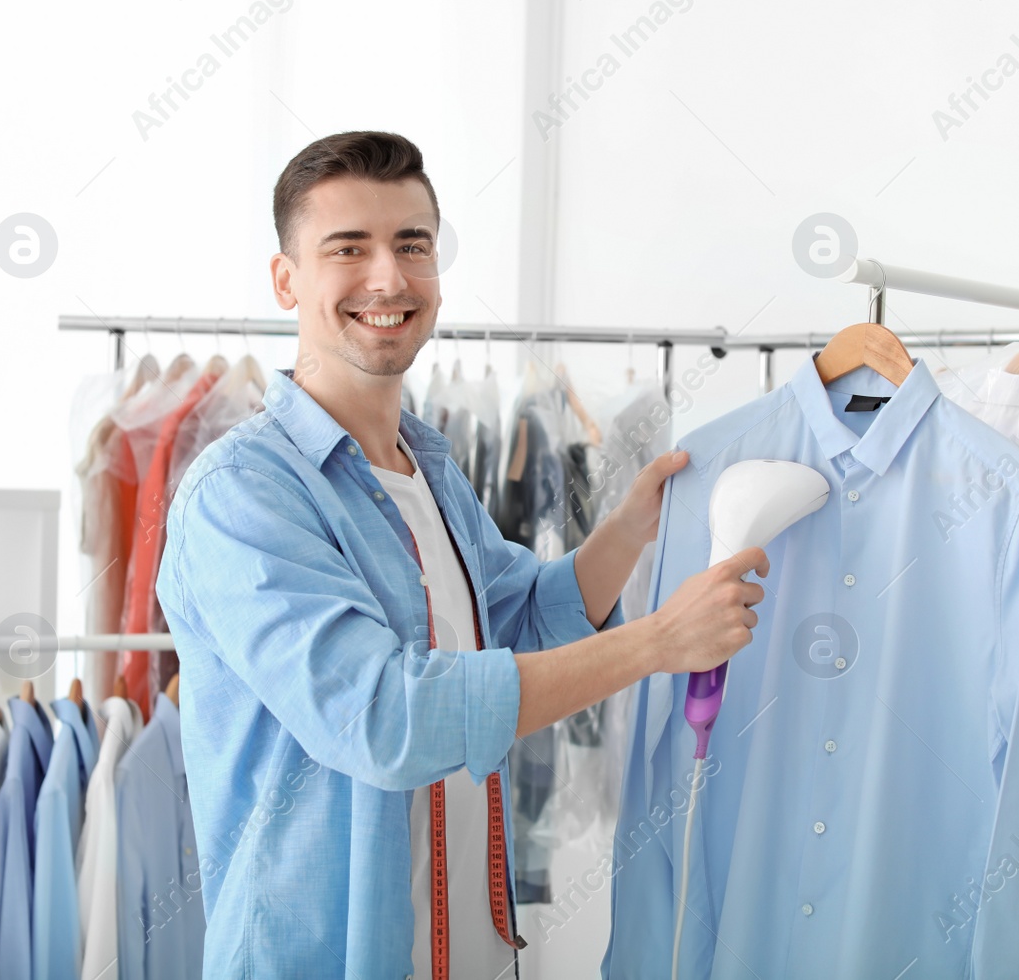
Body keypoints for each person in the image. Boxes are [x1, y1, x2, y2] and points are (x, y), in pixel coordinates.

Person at [155, 130, 768, 979]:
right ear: (286, 279)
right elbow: (386, 716)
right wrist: (661, 642)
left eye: (413, 245)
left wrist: (628, 530)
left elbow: (516, 615)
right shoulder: (241, 494)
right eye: (350, 248)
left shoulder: (428, 465)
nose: (388, 277)